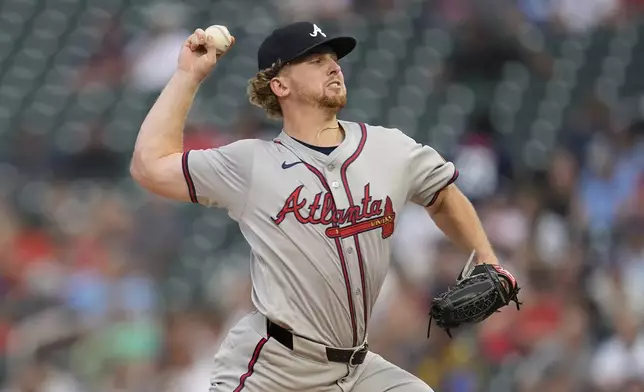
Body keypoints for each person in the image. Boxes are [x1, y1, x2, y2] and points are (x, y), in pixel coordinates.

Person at [130, 21, 504, 392]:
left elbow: (444, 196)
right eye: (314, 60)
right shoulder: (250, 163)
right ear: (280, 85)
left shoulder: (390, 148)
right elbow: (149, 167)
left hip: (357, 367)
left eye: (333, 58)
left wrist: (487, 258)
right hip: (275, 368)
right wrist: (187, 75)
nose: (333, 65)